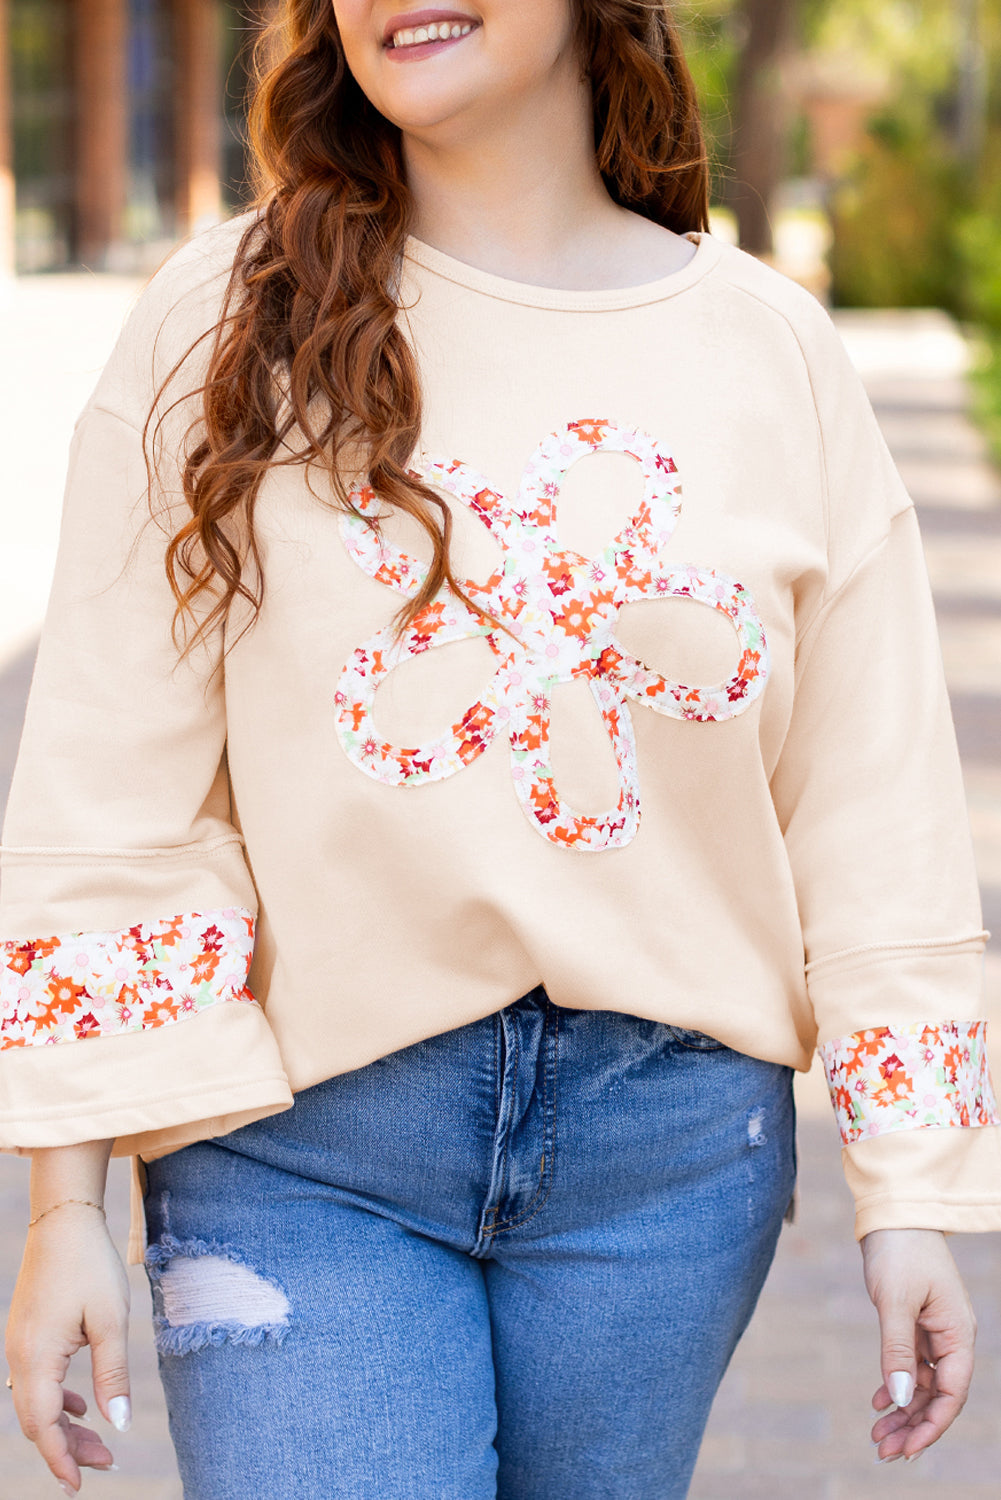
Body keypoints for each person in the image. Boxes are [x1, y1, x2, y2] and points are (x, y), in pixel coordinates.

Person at [3, 2, 1000, 1496]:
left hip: (669, 1163)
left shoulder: (769, 350)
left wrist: (908, 1190)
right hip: (297, 1148)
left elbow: (871, 804)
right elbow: (109, 769)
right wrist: (63, 1203)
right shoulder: (224, 314)